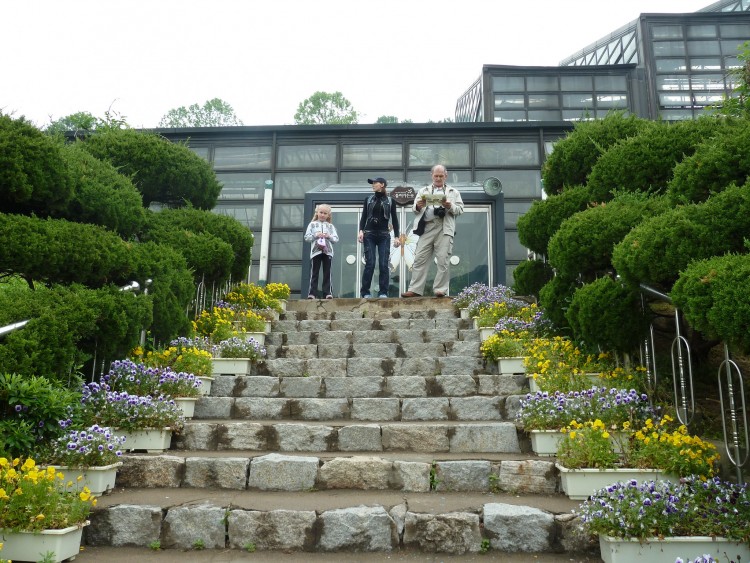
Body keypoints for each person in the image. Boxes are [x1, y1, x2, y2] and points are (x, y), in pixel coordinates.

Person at [401, 164, 464, 298]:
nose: (438, 178)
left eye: (441, 176)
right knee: (419, 258)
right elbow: (414, 209)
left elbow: (460, 209)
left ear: (446, 176)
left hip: (444, 227)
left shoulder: (454, 192)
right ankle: (415, 289)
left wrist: (450, 205)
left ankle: (440, 289)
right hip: (427, 227)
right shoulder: (423, 190)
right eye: (436, 175)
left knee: (443, 259)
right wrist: (418, 206)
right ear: (432, 176)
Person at [358, 177, 401, 298]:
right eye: (372, 183)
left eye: (375, 183)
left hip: (384, 235)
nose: (373, 185)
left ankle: (383, 292)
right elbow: (364, 216)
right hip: (369, 234)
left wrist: (397, 237)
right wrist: (361, 231)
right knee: (370, 263)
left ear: (382, 184)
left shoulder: (391, 201)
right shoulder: (368, 199)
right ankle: (365, 292)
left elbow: (395, 220)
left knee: (383, 263)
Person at [304, 203, 339, 299]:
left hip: (328, 252)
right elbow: (307, 237)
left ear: (328, 215)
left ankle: (327, 292)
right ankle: (312, 293)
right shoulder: (312, 224)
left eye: (325, 213)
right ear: (317, 213)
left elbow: (336, 239)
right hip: (316, 251)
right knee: (314, 272)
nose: (323, 215)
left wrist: (329, 236)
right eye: (321, 212)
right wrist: (316, 235)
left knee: (327, 272)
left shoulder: (330, 226)